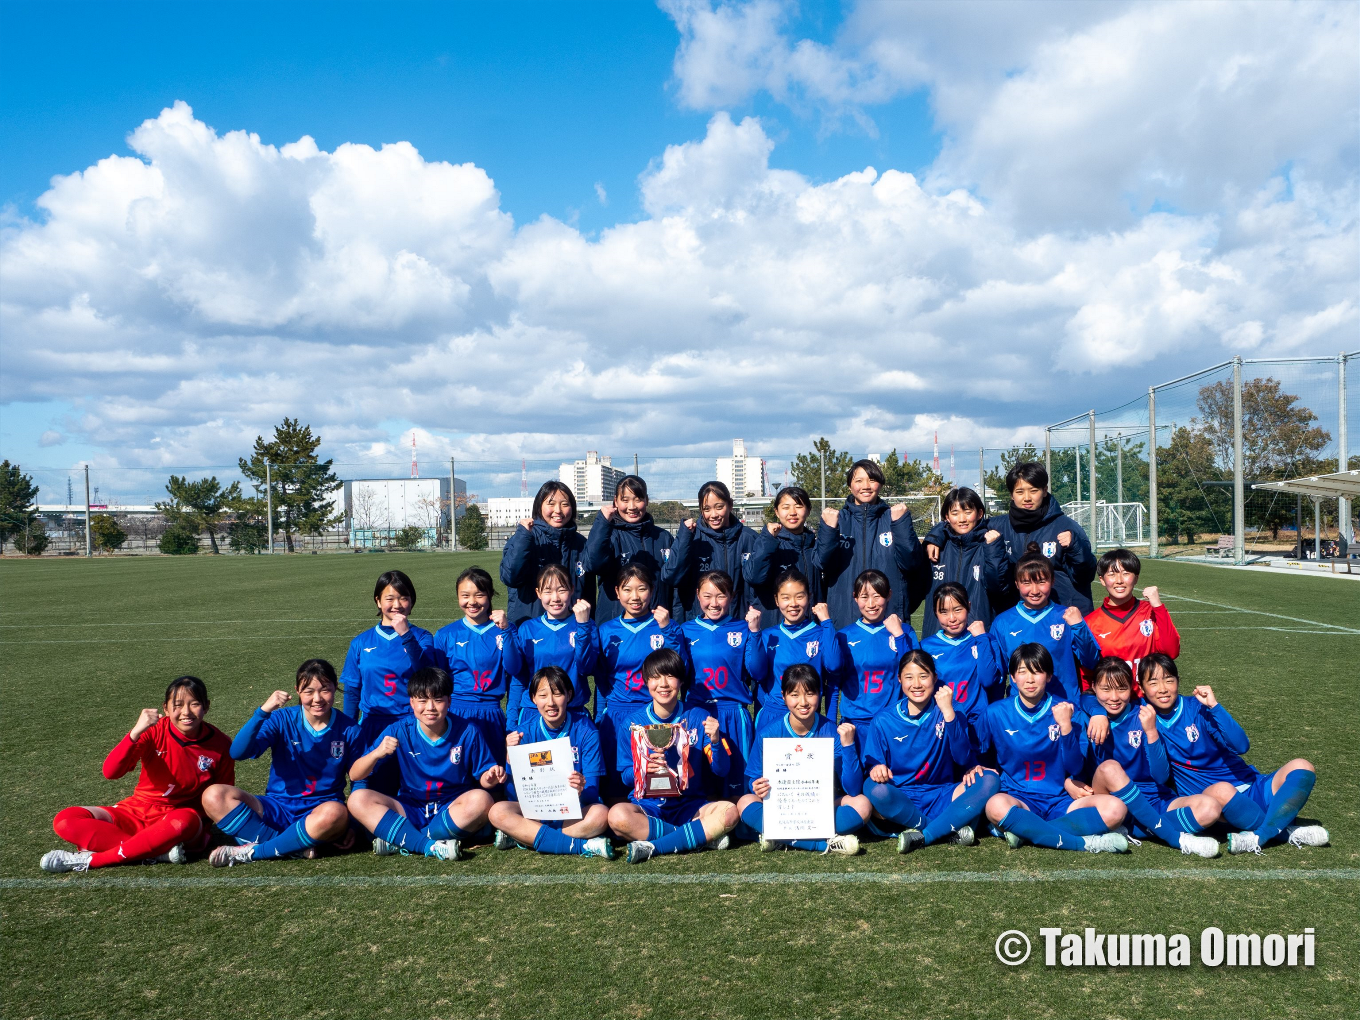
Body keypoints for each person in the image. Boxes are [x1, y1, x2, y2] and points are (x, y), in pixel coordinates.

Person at [1138, 653, 1327, 855]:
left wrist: (1214, 707)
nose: (1163, 689)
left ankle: (1260, 834)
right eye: (1153, 683)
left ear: (1178, 681)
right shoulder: (1141, 718)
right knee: (1222, 790)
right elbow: (1160, 776)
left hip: (1252, 787)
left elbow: (1241, 746)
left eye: (1169, 680)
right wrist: (1151, 733)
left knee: (1303, 766)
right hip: (1215, 803)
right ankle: (1282, 831)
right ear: (1141, 688)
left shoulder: (1196, 707)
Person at [41, 677, 234, 873]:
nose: (186, 712)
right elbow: (111, 772)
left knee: (186, 820)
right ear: (165, 709)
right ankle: (153, 852)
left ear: (206, 707)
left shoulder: (222, 745)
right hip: (137, 811)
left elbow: (221, 800)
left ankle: (92, 860)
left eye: (195, 704)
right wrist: (135, 732)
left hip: (177, 822)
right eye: (177, 705)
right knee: (66, 819)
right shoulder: (152, 730)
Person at [204, 659, 361, 867]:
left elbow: (359, 780)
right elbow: (238, 752)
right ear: (297, 691)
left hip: (319, 813)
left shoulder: (349, 729)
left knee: (336, 813)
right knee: (213, 795)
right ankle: (290, 847)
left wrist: (355, 826)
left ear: (334, 689)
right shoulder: (281, 718)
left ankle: (257, 851)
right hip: (277, 807)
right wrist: (262, 712)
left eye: (325, 690)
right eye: (308, 691)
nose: (317, 699)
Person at [979, 645, 1131, 854]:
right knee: (994, 806)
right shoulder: (995, 712)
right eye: (1022, 672)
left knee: (1116, 809)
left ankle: (1024, 831)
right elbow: (981, 753)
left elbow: (1076, 767)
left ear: (1049, 676)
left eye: (1037, 671)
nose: (1030, 679)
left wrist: (1066, 728)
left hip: (1061, 800)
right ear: (1012, 677)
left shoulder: (1067, 710)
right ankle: (1087, 843)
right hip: (1018, 799)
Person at [346, 667, 503, 861]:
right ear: (412, 702)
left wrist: (490, 777)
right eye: (422, 700)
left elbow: (485, 780)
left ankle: (404, 839)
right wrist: (377, 753)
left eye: (438, 700)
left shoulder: (468, 731)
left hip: (451, 806)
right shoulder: (399, 729)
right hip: (411, 806)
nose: (430, 707)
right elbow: (354, 775)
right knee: (357, 799)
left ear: (449, 702)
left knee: (482, 799)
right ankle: (428, 845)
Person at [1076, 657, 1221, 858]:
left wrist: (1151, 732)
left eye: (1122, 689)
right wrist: (1069, 781)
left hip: (1154, 797)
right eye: (1106, 689)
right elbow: (1085, 699)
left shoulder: (1146, 713)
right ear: (1093, 687)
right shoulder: (1086, 716)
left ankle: (1135, 828)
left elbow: (1161, 777)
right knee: (1110, 768)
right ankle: (1177, 838)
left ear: (1133, 687)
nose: (1114, 697)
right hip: (1111, 801)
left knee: (1210, 808)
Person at [608, 649, 738, 863]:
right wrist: (642, 771)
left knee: (730, 811)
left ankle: (656, 846)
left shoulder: (699, 717)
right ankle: (695, 837)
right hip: (648, 806)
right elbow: (625, 776)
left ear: (680, 680)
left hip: (690, 805)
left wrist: (715, 742)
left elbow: (721, 770)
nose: (663, 684)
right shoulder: (632, 723)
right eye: (656, 677)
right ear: (646, 681)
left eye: (670, 676)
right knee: (616, 816)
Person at [862, 651, 1000, 851]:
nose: (916, 684)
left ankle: (924, 835)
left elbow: (962, 757)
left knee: (989, 779)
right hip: (902, 796)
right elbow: (874, 765)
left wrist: (949, 713)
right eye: (909, 677)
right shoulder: (883, 720)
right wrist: (877, 768)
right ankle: (944, 830)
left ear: (935, 678)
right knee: (872, 788)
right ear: (899, 679)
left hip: (942, 794)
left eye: (923, 676)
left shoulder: (952, 710)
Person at [736, 664, 868, 854]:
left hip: (821, 805)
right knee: (745, 802)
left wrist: (848, 747)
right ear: (783, 696)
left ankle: (779, 837)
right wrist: (756, 785)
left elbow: (853, 789)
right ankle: (824, 844)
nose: (803, 702)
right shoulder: (769, 733)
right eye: (794, 695)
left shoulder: (832, 731)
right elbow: (752, 779)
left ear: (820, 694)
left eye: (810, 693)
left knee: (862, 804)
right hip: (785, 807)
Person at [489, 666, 614, 858]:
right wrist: (510, 760)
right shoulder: (523, 733)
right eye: (543, 695)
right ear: (533, 698)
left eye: (557, 694)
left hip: (573, 810)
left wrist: (581, 787)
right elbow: (513, 794)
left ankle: (525, 836)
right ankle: (580, 846)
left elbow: (592, 792)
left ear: (569, 695)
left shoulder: (587, 731)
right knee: (497, 811)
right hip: (535, 812)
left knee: (601, 815)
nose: (551, 703)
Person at [594, 563, 689, 793]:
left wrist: (667, 630)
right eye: (627, 589)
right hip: (617, 714)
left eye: (642, 589)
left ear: (652, 590)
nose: (635, 597)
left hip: (655, 714)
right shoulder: (607, 630)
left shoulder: (666, 625)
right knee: (617, 785)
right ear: (617, 592)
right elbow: (600, 678)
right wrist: (602, 715)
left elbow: (682, 668)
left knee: (659, 782)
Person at [341, 570, 437, 795]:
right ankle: (364, 829)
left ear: (412, 601)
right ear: (377, 601)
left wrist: (405, 635)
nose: (397, 604)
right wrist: (347, 730)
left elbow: (426, 674)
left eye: (403, 598)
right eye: (389, 598)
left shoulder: (422, 637)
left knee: (412, 786)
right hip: (372, 725)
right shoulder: (361, 642)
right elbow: (352, 691)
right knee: (368, 785)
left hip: (411, 724)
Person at [990, 544, 1103, 719]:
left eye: (1041, 582)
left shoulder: (1066, 616)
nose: (1034, 591)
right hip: (1021, 714)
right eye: (1027, 583)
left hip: (1064, 708)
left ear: (1052, 581)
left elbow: (1091, 662)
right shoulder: (1003, 622)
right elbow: (997, 677)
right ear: (1017, 584)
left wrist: (1079, 627)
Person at [681, 570, 763, 800]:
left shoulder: (743, 628)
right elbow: (680, 673)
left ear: (732, 596)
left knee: (738, 778)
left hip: (733, 713)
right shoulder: (685, 630)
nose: (714, 603)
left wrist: (755, 632)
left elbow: (757, 671)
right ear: (698, 595)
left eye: (721, 596)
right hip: (698, 713)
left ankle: (744, 824)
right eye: (707, 596)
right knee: (699, 778)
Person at [815, 458, 924, 629]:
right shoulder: (837, 521)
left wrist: (901, 526)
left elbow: (911, 563)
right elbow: (822, 563)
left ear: (880, 484)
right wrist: (829, 530)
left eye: (872, 480)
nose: (866, 486)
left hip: (889, 619)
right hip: (845, 618)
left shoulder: (894, 518)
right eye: (859, 480)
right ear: (850, 486)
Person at [433, 567, 521, 765]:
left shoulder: (505, 629)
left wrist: (506, 631)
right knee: (457, 775)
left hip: (491, 712)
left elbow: (514, 669)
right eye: (465, 595)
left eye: (479, 595)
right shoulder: (445, 635)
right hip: (455, 713)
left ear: (490, 595)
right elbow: (437, 683)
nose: (472, 602)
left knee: (493, 776)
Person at [826, 570, 915, 759]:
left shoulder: (904, 631)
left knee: (889, 783)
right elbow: (833, 685)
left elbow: (914, 674)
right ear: (855, 597)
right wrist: (830, 725)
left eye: (877, 596)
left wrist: (899, 636)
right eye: (864, 597)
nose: (871, 604)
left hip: (893, 721)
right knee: (852, 783)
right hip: (855, 723)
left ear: (889, 595)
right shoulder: (844, 636)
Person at [988, 461, 1096, 614]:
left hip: (1061, 619)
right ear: (1012, 495)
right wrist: (939, 535)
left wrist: (1076, 547)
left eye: (1033, 490)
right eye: (1019, 492)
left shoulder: (1066, 527)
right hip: (1018, 620)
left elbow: (1085, 576)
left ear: (1044, 490)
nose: (1027, 498)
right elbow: (962, 528)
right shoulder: (996, 527)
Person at [582, 474, 684, 623]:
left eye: (638, 499)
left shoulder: (663, 537)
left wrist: (674, 624)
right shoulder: (608, 535)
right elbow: (592, 564)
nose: (632, 506)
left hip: (656, 625)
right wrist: (603, 522)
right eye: (625, 500)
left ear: (646, 500)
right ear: (615, 501)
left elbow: (675, 585)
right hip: (617, 628)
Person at [747, 567, 842, 725]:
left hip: (808, 718)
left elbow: (834, 667)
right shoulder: (767, 636)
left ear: (809, 597)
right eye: (786, 598)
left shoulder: (821, 634)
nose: (793, 604)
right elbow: (757, 675)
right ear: (777, 600)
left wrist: (826, 622)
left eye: (800, 597)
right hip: (773, 718)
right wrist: (755, 633)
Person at [507, 564, 597, 727]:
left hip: (573, 711)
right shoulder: (528, 628)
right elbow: (518, 678)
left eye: (561, 590)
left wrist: (583, 627)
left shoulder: (586, 625)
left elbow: (586, 669)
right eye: (547, 591)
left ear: (571, 589)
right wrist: (512, 724)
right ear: (538, 593)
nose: (555, 598)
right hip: (534, 713)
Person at [920, 583, 1006, 750]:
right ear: (935, 613)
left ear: (969, 606)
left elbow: (989, 680)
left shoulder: (985, 640)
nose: (952, 618)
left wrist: (982, 639)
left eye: (958, 609)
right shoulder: (926, 647)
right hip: (941, 725)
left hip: (978, 724)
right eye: (943, 612)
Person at [1081, 549, 1181, 689]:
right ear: (1102, 580)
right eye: (1112, 574)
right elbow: (1086, 673)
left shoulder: (1151, 611)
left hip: (1148, 701)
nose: (1120, 580)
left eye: (1126, 573)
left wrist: (1158, 606)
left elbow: (1172, 652)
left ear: (1136, 578)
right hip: (1115, 703)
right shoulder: (1091, 622)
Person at [500, 480, 592, 627]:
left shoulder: (581, 543)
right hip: (529, 628)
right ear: (539, 507)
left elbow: (588, 591)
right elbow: (510, 577)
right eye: (551, 503)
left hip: (573, 628)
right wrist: (524, 537)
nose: (558, 510)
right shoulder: (525, 538)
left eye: (565, 504)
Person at [920, 486, 1008, 636]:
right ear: (946, 517)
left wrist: (994, 551)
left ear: (980, 513)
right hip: (939, 637)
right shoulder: (935, 547)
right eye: (955, 513)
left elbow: (999, 588)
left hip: (976, 635)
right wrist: (934, 536)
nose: (962, 519)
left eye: (968, 512)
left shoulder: (989, 546)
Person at [670, 480, 761, 621]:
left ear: (730, 505)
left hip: (738, 622)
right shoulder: (691, 538)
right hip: (701, 624)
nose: (713, 515)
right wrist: (683, 538)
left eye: (719, 507)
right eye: (707, 509)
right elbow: (672, 577)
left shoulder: (749, 538)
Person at [745, 485, 825, 627]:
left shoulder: (814, 545)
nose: (792, 512)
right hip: (776, 629)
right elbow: (753, 577)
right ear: (777, 511)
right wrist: (768, 540)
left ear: (808, 510)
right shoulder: (767, 543)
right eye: (786, 507)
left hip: (810, 628)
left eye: (798, 506)